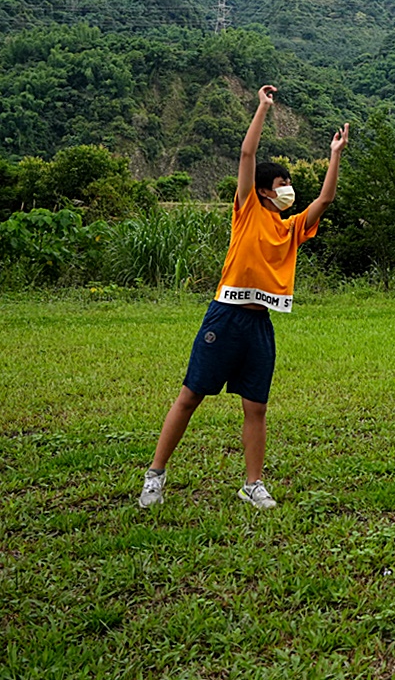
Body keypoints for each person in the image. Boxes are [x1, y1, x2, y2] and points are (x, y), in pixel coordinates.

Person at [139, 84, 348, 509]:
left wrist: (335, 153)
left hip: (259, 325)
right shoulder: (248, 208)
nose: (288, 189)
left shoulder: (291, 229)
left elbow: (325, 198)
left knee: (256, 407)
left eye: (289, 183)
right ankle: (155, 476)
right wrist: (262, 108)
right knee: (191, 396)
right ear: (264, 190)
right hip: (225, 317)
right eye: (282, 183)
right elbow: (247, 156)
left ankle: (253, 485)